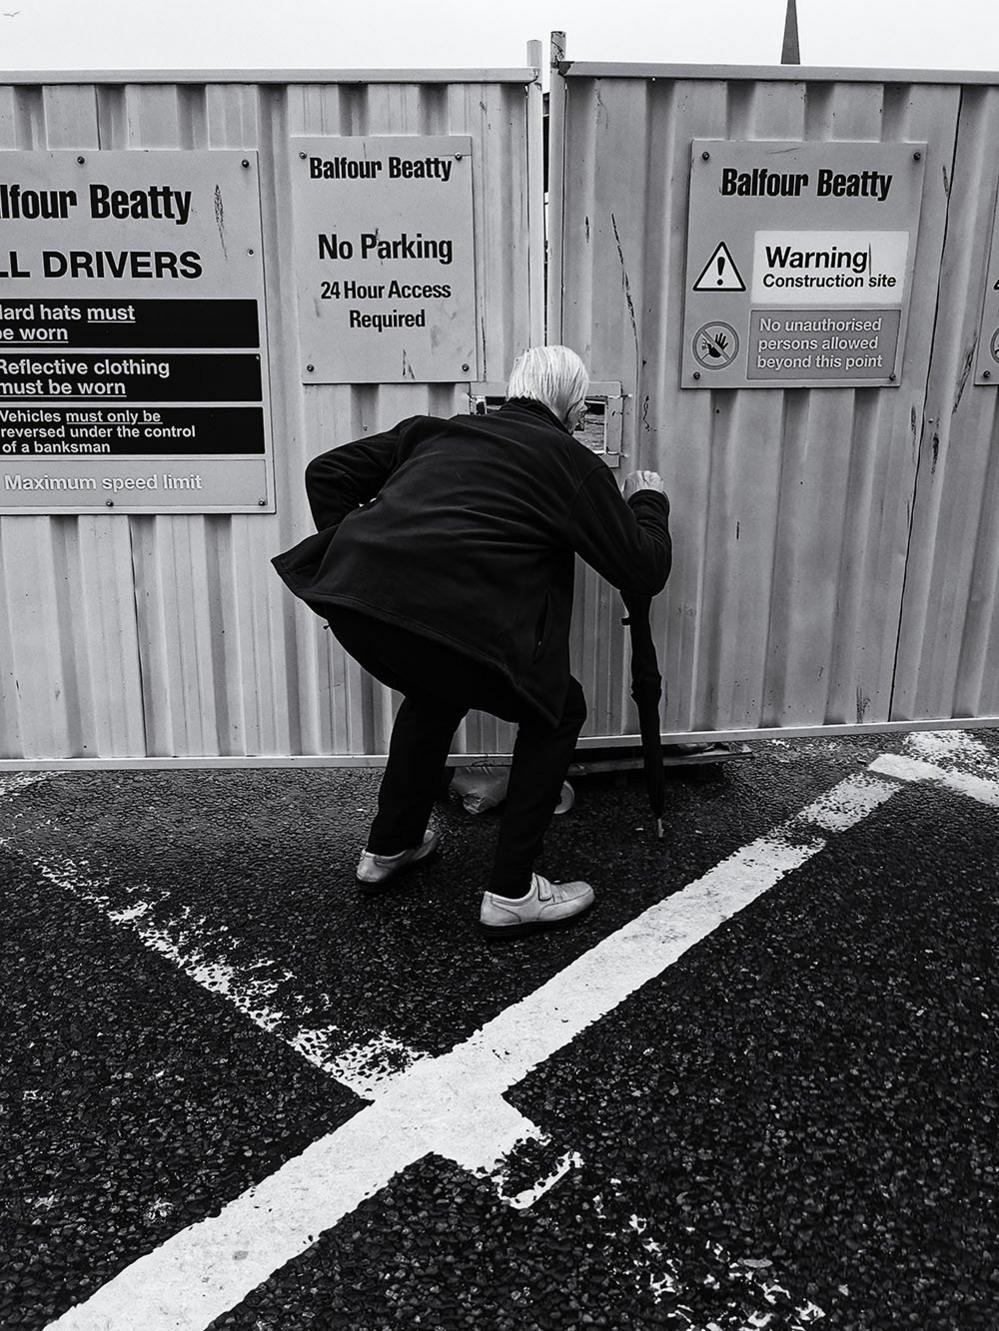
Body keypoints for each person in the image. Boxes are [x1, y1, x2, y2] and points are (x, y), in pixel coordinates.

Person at [272, 345, 670, 938]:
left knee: (432, 690)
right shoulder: (569, 460)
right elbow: (642, 570)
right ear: (572, 409)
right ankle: (512, 891)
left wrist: (354, 548)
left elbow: (326, 472)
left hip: (363, 606)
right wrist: (646, 502)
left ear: (513, 392)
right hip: (448, 619)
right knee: (560, 709)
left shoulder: (436, 432)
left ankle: (390, 847)